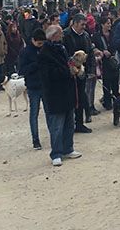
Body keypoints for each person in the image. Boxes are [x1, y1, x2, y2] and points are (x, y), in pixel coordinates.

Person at [38, 25, 82, 167]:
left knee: (69, 123)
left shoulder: (62, 48)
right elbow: (48, 74)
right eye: (60, 33)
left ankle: (68, 148)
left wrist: (74, 65)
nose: (62, 35)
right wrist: (67, 71)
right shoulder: (44, 52)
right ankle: (56, 153)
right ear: (53, 36)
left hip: (67, 91)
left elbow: (66, 63)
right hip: (54, 93)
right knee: (57, 126)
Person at [63, 14, 96, 132]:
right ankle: (69, 124)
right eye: (82, 24)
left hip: (82, 72)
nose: (84, 27)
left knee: (81, 97)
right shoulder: (65, 35)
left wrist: (91, 70)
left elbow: (90, 53)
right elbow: (63, 54)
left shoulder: (86, 36)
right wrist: (71, 67)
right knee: (71, 99)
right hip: (69, 73)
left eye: (85, 24)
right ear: (74, 23)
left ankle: (80, 123)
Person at [18, 28, 46, 150]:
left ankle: (54, 135)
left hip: (45, 85)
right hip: (33, 86)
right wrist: (36, 65)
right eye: (39, 43)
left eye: (42, 43)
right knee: (34, 113)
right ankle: (35, 139)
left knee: (50, 112)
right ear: (33, 40)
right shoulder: (25, 52)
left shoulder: (45, 49)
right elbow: (21, 70)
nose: (41, 45)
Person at [92, 16, 120, 116]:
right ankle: (107, 102)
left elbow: (117, 45)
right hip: (103, 62)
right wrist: (101, 51)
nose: (109, 25)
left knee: (115, 82)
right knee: (106, 82)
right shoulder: (97, 36)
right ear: (102, 24)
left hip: (113, 60)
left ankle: (117, 101)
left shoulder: (114, 34)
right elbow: (94, 47)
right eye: (107, 23)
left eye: (110, 23)